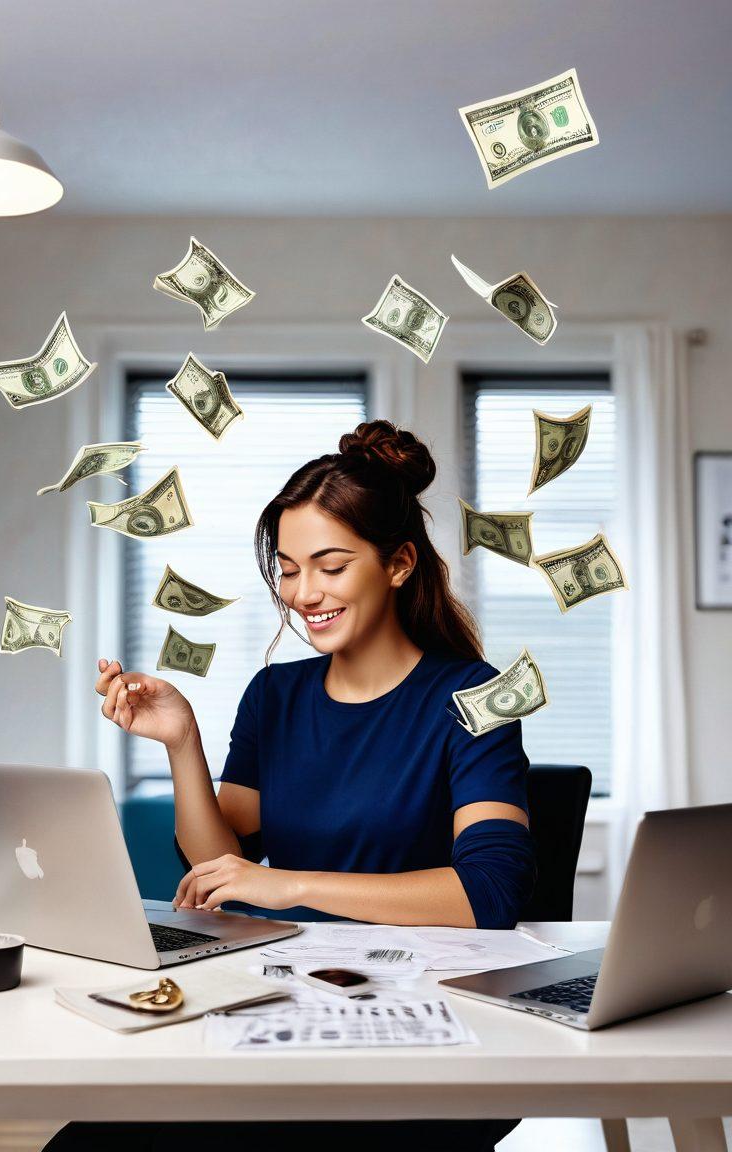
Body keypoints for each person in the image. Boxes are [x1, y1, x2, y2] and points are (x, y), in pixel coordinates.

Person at [44, 420, 536, 1152]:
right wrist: (183, 742)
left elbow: (492, 895)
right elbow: (225, 871)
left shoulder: (475, 694)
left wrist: (292, 885)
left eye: (331, 565)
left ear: (398, 564)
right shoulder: (275, 695)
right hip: (297, 995)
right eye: (289, 567)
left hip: (424, 1021)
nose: (304, 593)